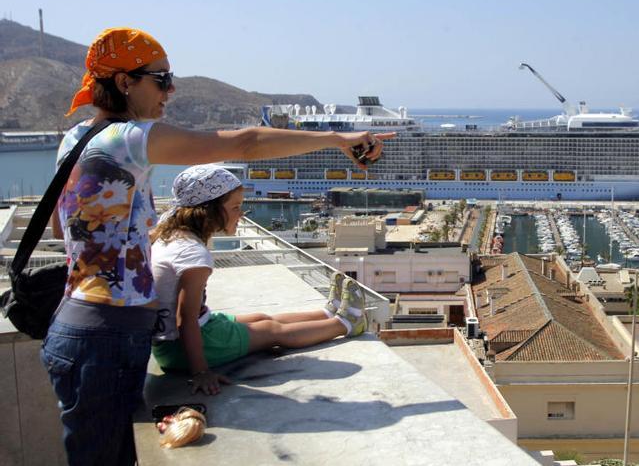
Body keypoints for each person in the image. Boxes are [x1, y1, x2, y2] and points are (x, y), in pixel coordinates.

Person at [42, 27, 392, 465]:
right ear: (124, 82)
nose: (170, 90)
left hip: (84, 325)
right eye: (161, 79)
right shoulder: (129, 138)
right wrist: (338, 139)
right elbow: (243, 142)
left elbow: (61, 230)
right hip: (106, 334)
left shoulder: (74, 139)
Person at [150, 164, 365, 395]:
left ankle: (327, 313)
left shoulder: (170, 236)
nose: (241, 214)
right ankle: (346, 324)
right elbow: (185, 319)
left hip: (172, 343)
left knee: (261, 318)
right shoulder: (193, 255)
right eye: (235, 207)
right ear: (208, 211)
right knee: (271, 331)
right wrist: (201, 371)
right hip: (183, 348)